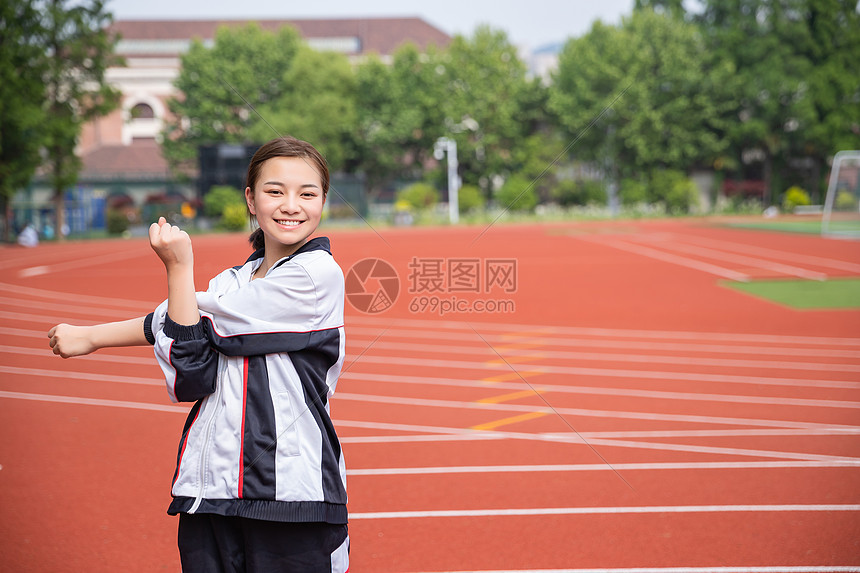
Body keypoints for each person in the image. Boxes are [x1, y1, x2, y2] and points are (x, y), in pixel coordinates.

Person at [47, 136, 349, 573]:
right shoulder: (233, 281)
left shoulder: (317, 275)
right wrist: (91, 336)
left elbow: (197, 324)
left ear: (324, 201)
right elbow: (193, 371)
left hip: (290, 494)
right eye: (274, 191)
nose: (291, 205)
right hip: (210, 488)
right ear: (250, 198)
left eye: (307, 193)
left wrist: (177, 269)